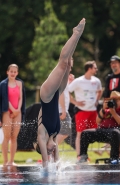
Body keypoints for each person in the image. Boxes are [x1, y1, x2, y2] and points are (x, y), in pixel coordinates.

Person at [33, 18, 86, 168]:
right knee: (68, 63)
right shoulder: (55, 135)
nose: (52, 150)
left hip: (47, 95)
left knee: (62, 64)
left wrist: (47, 163)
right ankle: (77, 36)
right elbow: (56, 162)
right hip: (56, 95)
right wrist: (57, 167)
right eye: (51, 151)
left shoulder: (42, 135)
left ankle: (76, 33)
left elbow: (45, 162)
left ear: (42, 147)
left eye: (49, 151)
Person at [78, 91, 120, 164]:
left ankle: (114, 158)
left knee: (114, 132)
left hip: (118, 132)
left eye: (116, 100)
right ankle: (83, 156)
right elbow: (97, 121)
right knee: (85, 133)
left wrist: (113, 112)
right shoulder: (106, 110)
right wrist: (103, 109)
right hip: (104, 131)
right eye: (112, 100)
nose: (114, 102)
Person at [68, 61, 102, 159]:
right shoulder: (78, 81)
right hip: (82, 110)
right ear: (89, 68)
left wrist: (97, 100)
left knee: (95, 133)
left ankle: (86, 153)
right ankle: (79, 155)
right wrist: (75, 102)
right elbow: (67, 91)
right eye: (95, 68)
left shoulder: (96, 81)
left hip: (93, 110)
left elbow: (100, 91)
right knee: (80, 133)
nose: (96, 69)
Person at [0, 64, 25, 166]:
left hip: (17, 112)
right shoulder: (2, 84)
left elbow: (21, 98)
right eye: (11, 71)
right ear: (7, 72)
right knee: (6, 137)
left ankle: (12, 161)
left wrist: (18, 109)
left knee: (14, 137)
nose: (13, 73)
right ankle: (5, 161)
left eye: (15, 72)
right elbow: (4, 100)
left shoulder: (19, 83)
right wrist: (13, 110)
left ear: (17, 73)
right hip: (7, 111)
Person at [57, 73, 74, 145]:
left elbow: (66, 94)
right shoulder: (62, 80)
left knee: (63, 132)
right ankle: (48, 150)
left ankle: (50, 153)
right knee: (65, 131)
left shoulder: (64, 80)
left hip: (61, 110)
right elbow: (60, 94)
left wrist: (69, 82)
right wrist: (63, 110)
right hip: (61, 110)